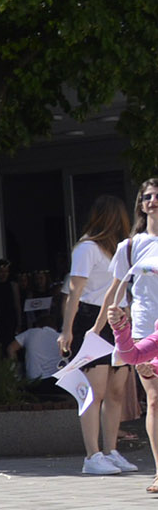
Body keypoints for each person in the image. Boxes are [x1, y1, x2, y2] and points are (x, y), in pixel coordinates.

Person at [63, 194, 137, 474]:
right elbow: (75, 291)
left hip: (118, 319)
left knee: (117, 391)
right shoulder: (87, 248)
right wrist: (67, 330)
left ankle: (111, 450)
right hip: (90, 318)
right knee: (94, 391)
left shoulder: (120, 250)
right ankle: (92, 455)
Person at [99, 178, 158, 488]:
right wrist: (96, 330)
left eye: (157, 195)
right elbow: (115, 292)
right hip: (147, 331)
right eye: (147, 196)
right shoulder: (131, 246)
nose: (153, 200)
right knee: (155, 398)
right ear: (140, 204)